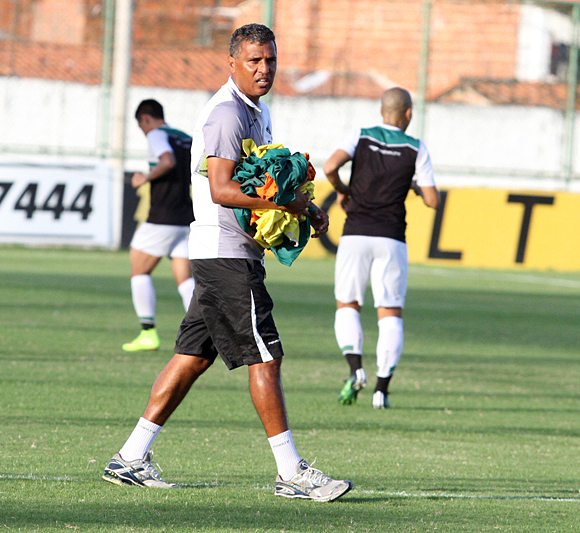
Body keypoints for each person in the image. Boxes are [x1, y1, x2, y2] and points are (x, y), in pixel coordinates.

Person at [102, 23, 352, 502]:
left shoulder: (257, 112)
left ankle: (130, 457)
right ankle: (291, 473)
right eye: (254, 61)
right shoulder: (225, 113)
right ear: (232, 63)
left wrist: (306, 204)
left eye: (270, 60)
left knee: (193, 357)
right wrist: (287, 205)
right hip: (224, 254)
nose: (264, 69)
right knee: (266, 355)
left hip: (224, 253)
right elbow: (220, 189)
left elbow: (257, 181)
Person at [323, 87, 440, 409]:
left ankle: (354, 369)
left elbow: (330, 167)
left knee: (347, 305)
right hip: (391, 238)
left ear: (381, 111)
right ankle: (381, 391)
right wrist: (414, 186)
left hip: (355, 232)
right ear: (407, 113)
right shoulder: (416, 147)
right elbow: (432, 201)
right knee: (390, 314)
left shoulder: (361, 134)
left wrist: (343, 191)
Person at [122, 99, 195, 352]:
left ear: (145, 119)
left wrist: (145, 178)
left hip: (163, 216)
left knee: (138, 270)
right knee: (185, 279)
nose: (144, 132)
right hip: (187, 215)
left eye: (141, 126)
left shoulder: (156, 135)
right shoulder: (185, 137)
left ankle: (148, 332)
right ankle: (207, 330)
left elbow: (167, 161)